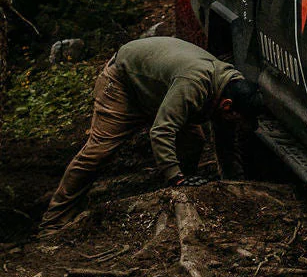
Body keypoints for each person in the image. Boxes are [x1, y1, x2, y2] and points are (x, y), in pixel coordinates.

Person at [41, 37, 262, 230]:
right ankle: (54, 221)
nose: (239, 125)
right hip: (123, 82)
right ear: (226, 105)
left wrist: (236, 186)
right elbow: (161, 131)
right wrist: (176, 177)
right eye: (239, 120)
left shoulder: (230, 86)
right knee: (98, 152)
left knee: (193, 139)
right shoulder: (194, 85)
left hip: (160, 88)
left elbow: (226, 143)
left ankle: (179, 196)